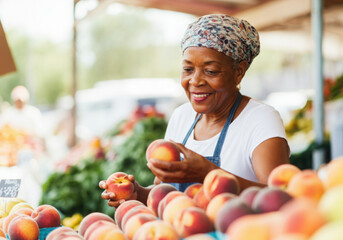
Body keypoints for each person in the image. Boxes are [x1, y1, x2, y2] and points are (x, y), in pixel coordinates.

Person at [100, 14, 290, 207]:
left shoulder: (261, 120)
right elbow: (167, 195)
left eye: (211, 71)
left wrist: (208, 173)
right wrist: (138, 193)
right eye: (188, 70)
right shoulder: (181, 117)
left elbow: (280, 197)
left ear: (238, 72)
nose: (195, 81)